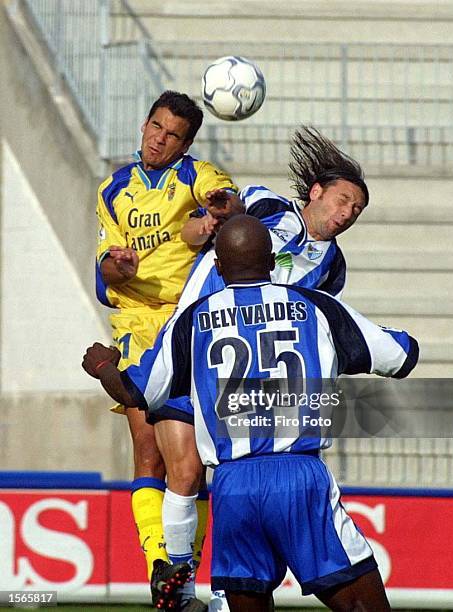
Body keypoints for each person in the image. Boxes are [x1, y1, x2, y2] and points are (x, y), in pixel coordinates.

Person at [83, 216, 419, 612]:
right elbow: (401, 356)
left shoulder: (191, 320)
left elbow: (138, 392)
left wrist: (104, 366)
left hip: (233, 486)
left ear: (219, 267)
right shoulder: (315, 307)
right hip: (298, 478)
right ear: (273, 261)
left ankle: (178, 575)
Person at [130, 126, 370, 611]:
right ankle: (177, 584)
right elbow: (230, 211)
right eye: (343, 201)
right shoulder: (267, 206)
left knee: (230, 479)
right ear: (317, 191)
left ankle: (219, 594)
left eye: (356, 211)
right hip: (194, 344)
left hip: (242, 376)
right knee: (184, 471)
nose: (346, 215)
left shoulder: (332, 266)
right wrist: (218, 211)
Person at [95, 90, 237, 611]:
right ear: (143, 124)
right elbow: (101, 274)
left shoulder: (196, 176)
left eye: (172, 133)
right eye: (155, 126)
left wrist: (217, 212)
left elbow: (225, 202)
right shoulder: (113, 190)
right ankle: (162, 565)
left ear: (186, 143)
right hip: (137, 321)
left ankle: (183, 570)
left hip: (191, 323)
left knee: (192, 461)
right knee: (146, 445)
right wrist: (119, 267)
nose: (159, 138)